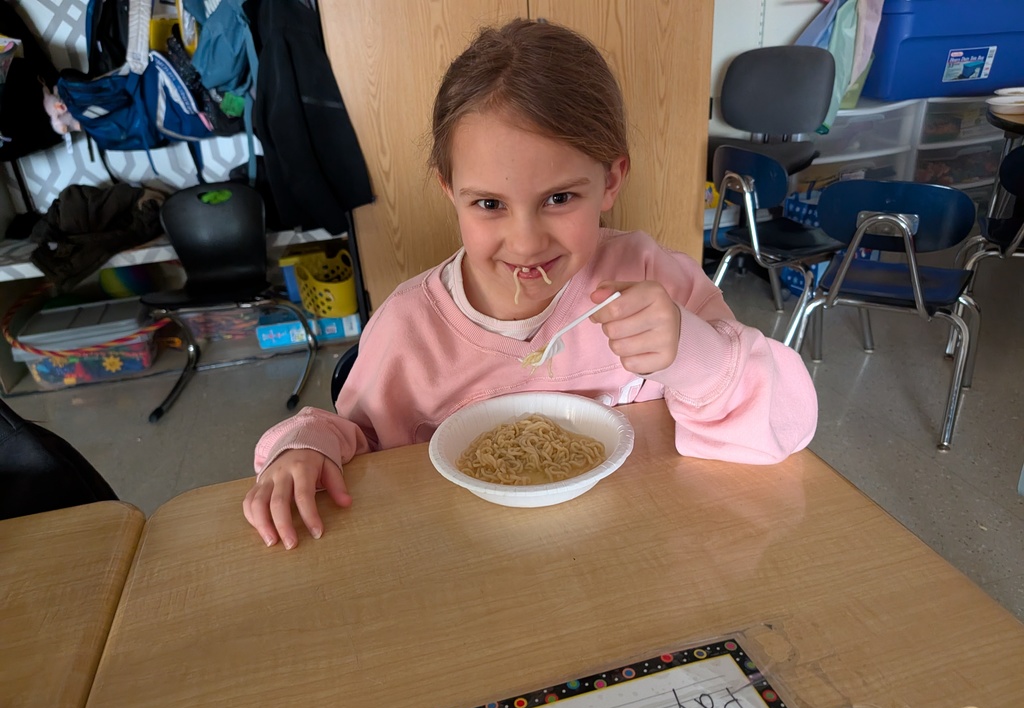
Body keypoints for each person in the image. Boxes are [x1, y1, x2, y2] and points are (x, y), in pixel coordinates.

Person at [244, 19, 818, 549]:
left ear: (611, 180)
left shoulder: (652, 278)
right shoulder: (407, 329)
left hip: (642, 551)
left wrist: (692, 352)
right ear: (450, 190)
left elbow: (784, 427)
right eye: (489, 203)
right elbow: (355, 445)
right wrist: (304, 445)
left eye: (559, 198)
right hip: (473, 570)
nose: (524, 244)